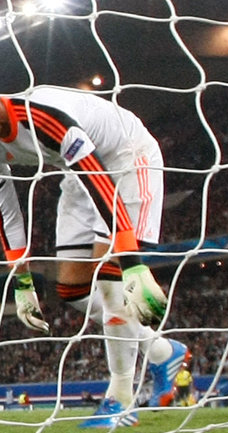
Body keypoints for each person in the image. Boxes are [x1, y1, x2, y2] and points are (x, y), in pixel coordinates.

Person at [0, 88, 189, 427]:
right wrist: (22, 281)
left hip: (126, 159)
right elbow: (6, 211)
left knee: (111, 287)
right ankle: (161, 351)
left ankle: (121, 400)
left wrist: (131, 263)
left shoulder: (42, 115)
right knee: (72, 290)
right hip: (78, 173)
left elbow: (99, 179)